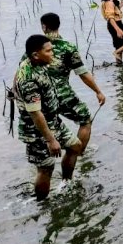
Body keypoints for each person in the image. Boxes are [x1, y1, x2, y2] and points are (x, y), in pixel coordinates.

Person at [14, 35, 84, 200]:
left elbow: (15, 77)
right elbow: (35, 113)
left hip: (53, 122)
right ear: (36, 55)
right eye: (49, 51)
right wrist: (50, 140)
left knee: (75, 146)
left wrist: (14, 94)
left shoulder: (35, 62)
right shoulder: (28, 79)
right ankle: (41, 203)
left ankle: (66, 183)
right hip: (37, 130)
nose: (52, 53)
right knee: (46, 167)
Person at [26, 14, 105, 155]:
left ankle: (46, 155)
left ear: (44, 26)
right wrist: (98, 91)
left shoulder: (35, 47)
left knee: (42, 127)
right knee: (85, 120)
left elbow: (22, 72)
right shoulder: (68, 48)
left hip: (39, 97)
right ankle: (78, 154)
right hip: (62, 95)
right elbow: (83, 73)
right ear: (58, 25)